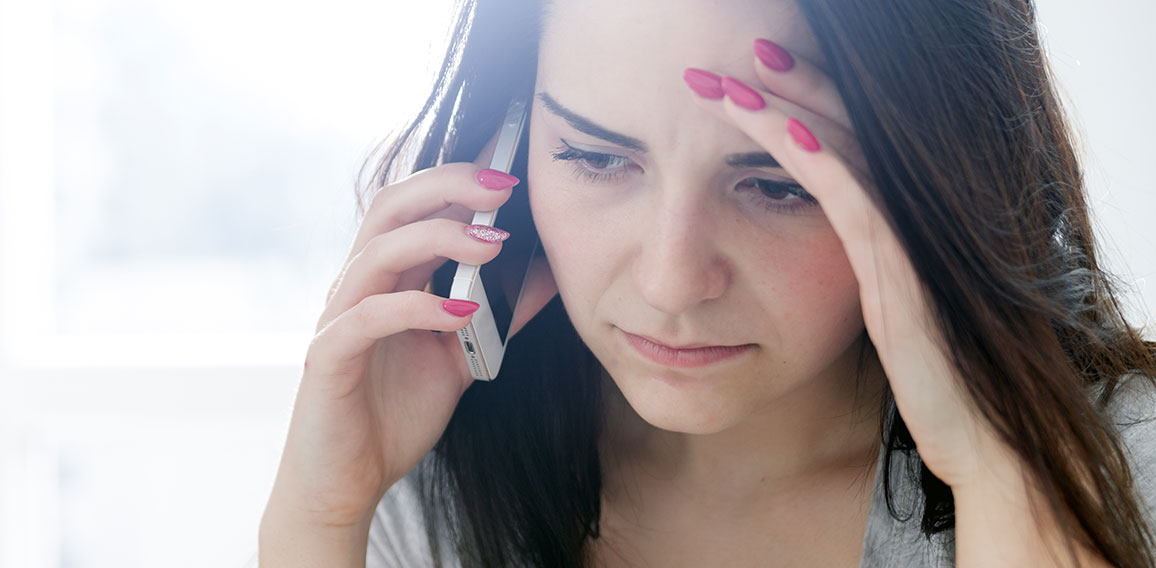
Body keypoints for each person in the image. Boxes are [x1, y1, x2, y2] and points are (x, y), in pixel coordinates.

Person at [257, 0, 1156, 566]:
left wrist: (1005, 474)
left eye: (776, 184)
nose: (672, 279)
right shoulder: (432, 483)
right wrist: (318, 520)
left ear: (938, 180)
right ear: (514, 147)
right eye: (596, 157)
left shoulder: (1129, 469)